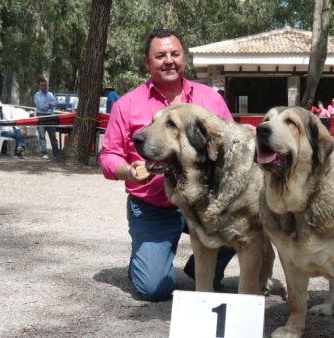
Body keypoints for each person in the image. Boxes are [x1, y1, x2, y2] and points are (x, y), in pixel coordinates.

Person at [99, 28, 236, 302]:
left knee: (242, 223)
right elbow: (108, 156)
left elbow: (230, 143)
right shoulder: (126, 105)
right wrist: (127, 171)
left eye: (175, 54)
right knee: (154, 289)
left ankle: (202, 270)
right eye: (160, 56)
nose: (169, 60)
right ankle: (144, 260)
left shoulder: (211, 99)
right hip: (154, 207)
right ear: (147, 62)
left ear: (184, 58)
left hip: (204, 204)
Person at [34, 78, 59, 160]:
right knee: (42, 135)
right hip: (41, 116)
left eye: (45, 85)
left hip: (50, 116)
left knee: (53, 135)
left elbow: (55, 103)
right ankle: (44, 153)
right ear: (39, 86)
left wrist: (47, 103)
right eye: (42, 85)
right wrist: (49, 104)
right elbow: (41, 106)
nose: (44, 87)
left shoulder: (50, 94)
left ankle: (56, 153)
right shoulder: (37, 95)